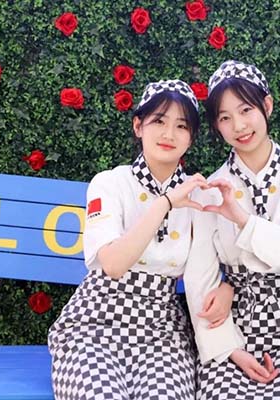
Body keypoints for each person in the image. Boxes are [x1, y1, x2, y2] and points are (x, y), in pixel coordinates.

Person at [48, 79, 233, 400]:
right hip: (94, 326)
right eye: (158, 121)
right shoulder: (111, 183)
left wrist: (227, 287)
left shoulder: (198, 195)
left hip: (161, 332)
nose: (169, 134)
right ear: (138, 126)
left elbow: (205, 271)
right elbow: (113, 264)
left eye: (181, 126)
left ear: (191, 137)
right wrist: (165, 203)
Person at [184, 60, 280, 400]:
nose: (239, 126)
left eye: (246, 110)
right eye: (225, 118)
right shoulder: (211, 188)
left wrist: (245, 221)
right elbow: (200, 276)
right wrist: (228, 348)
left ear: (267, 106)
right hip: (235, 325)